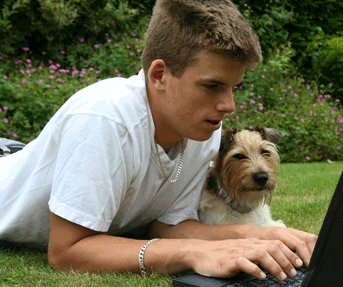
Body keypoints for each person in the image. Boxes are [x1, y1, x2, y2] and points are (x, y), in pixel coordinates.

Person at [0, 0, 317, 282]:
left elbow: (168, 227)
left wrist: (264, 234)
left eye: (234, 88)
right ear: (159, 75)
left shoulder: (200, 132)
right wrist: (191, 254)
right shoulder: (104, 118)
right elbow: (67, 251)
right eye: (212, 86)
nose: (229, 106)